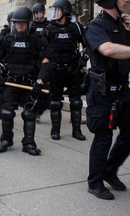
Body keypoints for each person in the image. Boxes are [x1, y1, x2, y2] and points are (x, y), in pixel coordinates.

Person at [84, 0, 130, 200]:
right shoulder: (96, 25)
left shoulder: (124, 24)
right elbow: (108, 50)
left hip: (123, 90)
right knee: (103, 138)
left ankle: (109, 171)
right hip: (103, 92)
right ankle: (95, 182)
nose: (127, 0)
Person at [0, 7, 46, 156]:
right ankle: (6, 140)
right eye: (17, 23)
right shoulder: (7, 39)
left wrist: (40, 82)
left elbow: (46, 62)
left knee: (29, 114)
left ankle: (29, 144)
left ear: (29, 23)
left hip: (29, 83)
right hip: (11, 82)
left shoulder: (37, 39)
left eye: (23, 23)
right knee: (6, 112)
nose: (19, 26)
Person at [38, 0, 86, 141]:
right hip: (55, 70)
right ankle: (55, 131)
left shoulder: (75, 27)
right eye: (54, 10)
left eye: (58, 10)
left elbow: (87, 43)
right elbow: (42, 51)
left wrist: (84, 58)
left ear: (65, 11)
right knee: (55, 103)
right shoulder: (48, 28)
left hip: (72, 70)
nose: (55, 13)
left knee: (76, 102)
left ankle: (76, 131)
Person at [31, 2, 51, 123]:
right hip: (35, 59)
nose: (39, 15)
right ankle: (33, 109)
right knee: (35, 86)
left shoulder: (48, 25)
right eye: (37, 13)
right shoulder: (31, 26)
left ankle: (39, 110)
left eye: (40, 12)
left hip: (46, 58)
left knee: (45, 87)